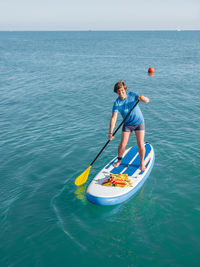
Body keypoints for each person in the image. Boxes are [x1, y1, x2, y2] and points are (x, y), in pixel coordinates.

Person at [109, 80, 150, 171]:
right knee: (122, 144)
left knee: (140, 144)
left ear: (125, 89)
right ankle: (119, 160)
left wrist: (143, 98)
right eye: (119, 91)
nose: (121, 93)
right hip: (127, 124)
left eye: (122, 91)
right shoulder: (117, 103)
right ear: (116, 92)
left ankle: (142, 162)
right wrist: (111, 132)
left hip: (139, 123)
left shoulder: (132, 95)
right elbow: (114, 118)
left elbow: (147, 100)